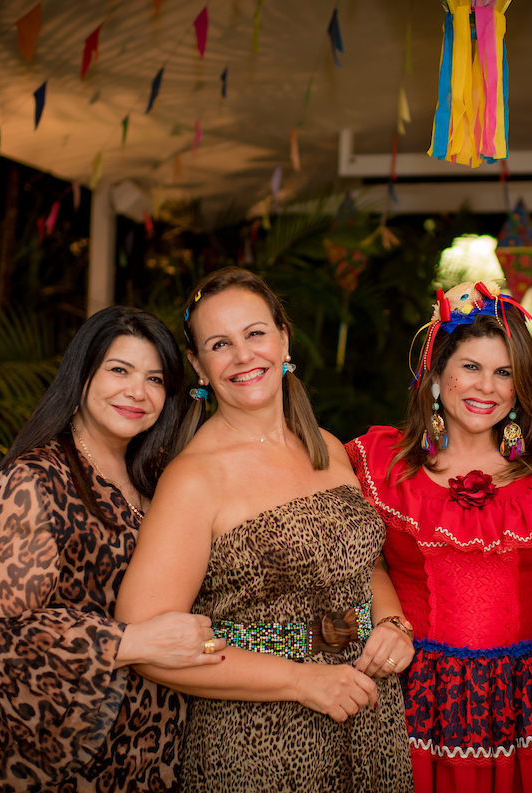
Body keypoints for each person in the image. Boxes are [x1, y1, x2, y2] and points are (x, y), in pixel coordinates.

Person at [115, 267, 414, 793]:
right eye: (219, 343)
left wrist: (394, 625)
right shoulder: (194, 478)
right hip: (259, 743)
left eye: (255, 333)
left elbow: (364, 563)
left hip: (368, 714)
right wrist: (301, 681)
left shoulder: (325, 444)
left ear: (283, 338)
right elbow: (147, 644)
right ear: (198, 365)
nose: (243, 355)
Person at [0, 306, 228, 793]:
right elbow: (1, 638)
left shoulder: (157, 479)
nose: (137, 392)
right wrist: (132, 642)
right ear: (82, 375)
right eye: (118, 370)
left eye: (155, 379)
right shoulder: (35, 479)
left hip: (156, 750)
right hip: (67, 755)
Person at [346, 279, 532, 793]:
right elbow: (353, 556)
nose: (487, 387)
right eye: (470, 367)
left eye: (505, 373)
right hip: (410, 697)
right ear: (436, 375)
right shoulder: (378, 462)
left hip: (524, 706)